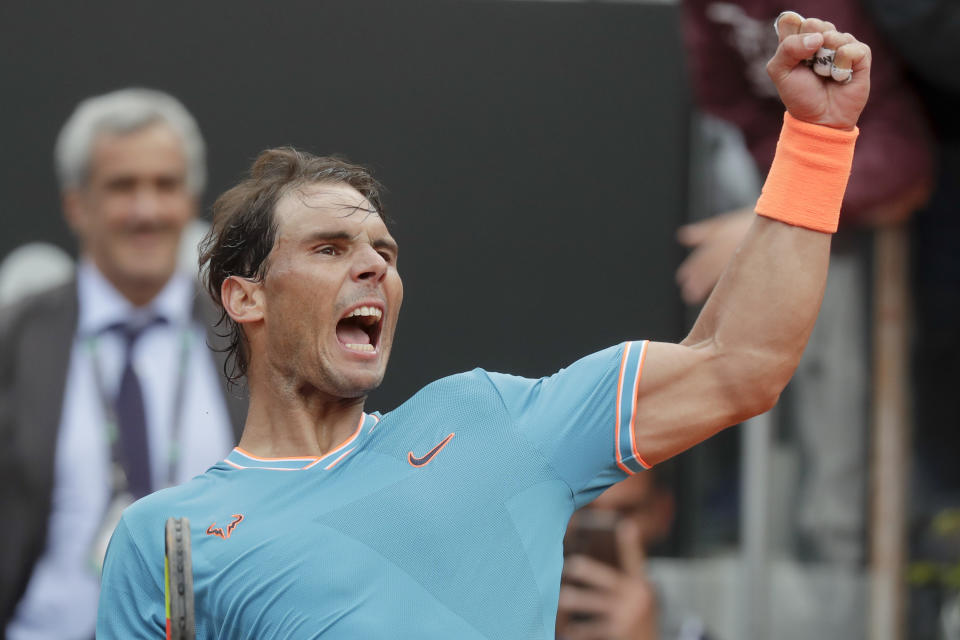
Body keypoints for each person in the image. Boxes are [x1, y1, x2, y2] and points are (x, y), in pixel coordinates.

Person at [97, 16, 872, 637]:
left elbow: (741, 362)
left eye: (383, 250)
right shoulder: (166, 539)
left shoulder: (496, 424)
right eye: (330, 249)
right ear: (245, 298)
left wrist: (817, 140)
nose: (372, 267)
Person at [679, 0, 933, 565]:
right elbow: (728, 103)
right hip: (779, 191)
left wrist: (776, 210)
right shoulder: (705, 13)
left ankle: (844, 566)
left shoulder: (825, 13)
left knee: (842, 409)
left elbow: (902, 162)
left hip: (849, 219)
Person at [0, 89, 246, 639]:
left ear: (191, 200)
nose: (146, 210)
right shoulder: (14, 339)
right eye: (121, 186)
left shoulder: (247, 337)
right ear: (76, 205)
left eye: (165, 185)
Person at [557, 466, 713, 640]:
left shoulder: (690, 634)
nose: (606, 526)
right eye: (585, 509)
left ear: (663, 513)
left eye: (625, 512)